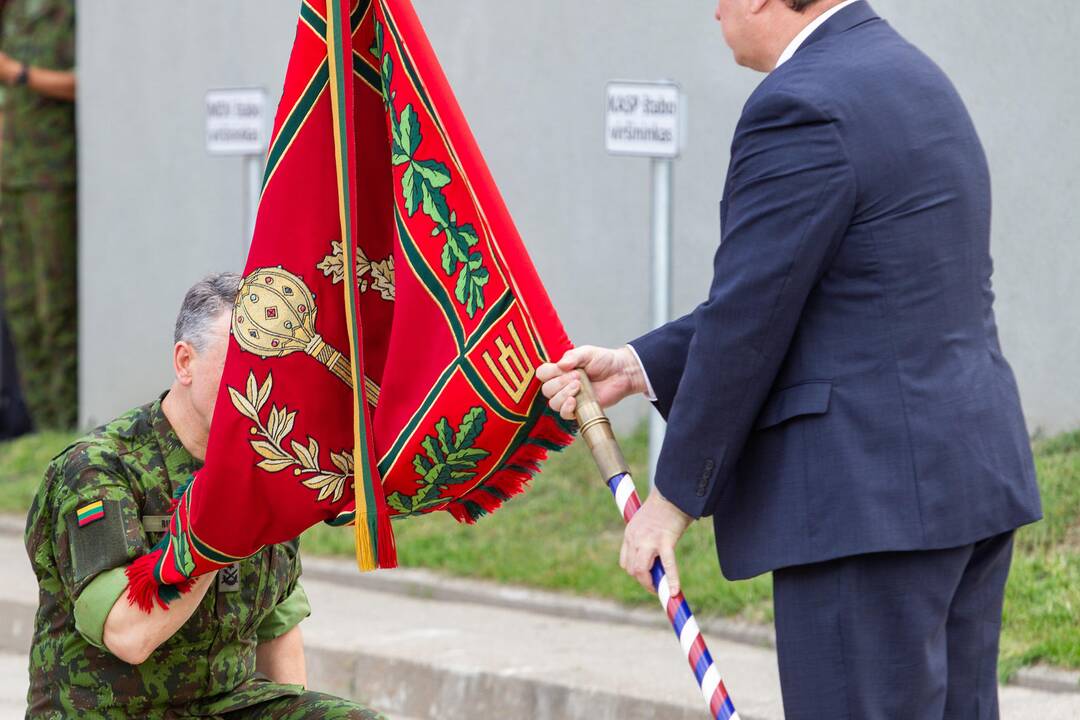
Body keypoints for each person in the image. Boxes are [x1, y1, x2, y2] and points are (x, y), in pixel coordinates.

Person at [539, 1, 1042, 718]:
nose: (712, 8)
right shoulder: (909, 72)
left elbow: (751, 316)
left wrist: (669, 501)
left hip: (867, 506)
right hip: (963, 483)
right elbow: (835, 298)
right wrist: (639, 364)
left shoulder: (798, 104)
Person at [24, 273, 385, 719]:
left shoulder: (270, 463)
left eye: (267, 365)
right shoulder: (99, 468)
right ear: (184, 362)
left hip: (225, 706)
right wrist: (215, 527)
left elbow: (278, 629)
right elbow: (128, 633)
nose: (256, 382)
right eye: (239, 362)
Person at [0, 0, 78, 430]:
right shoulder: (14, 14)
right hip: (11, 176)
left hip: (51, 176)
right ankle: (45, 425)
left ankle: (66, 421)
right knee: (22, 310)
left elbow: (88, 83)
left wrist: (19, 74)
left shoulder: (68, 12)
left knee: (56, 310)